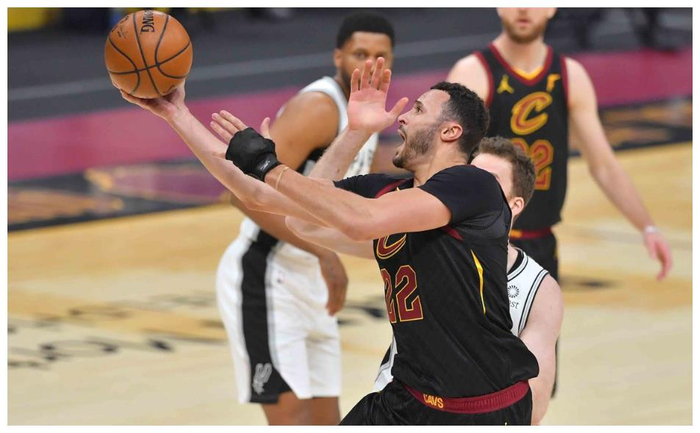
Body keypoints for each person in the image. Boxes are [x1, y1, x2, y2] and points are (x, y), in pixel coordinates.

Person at [212, 12, 395, 425]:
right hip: (266, 274)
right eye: (359, 54)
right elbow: (243, 195)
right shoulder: (319, 107)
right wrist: (325, 254)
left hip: (309, 277)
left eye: (380, 56)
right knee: (291, 419)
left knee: (328, 420)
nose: (369, 64)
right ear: (338, 56)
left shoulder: (364, 111)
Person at [446, 7, 672, 283]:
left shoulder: (570, 75)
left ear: (552, 7)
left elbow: (603, 165)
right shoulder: (472, 73)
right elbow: (443, 164)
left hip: (541, 242)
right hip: (482, 243)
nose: (524, 8)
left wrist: (647, 227)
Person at [372, 137, 563, 425]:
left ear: (514, 205)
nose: (472, 187)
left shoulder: (539, 290)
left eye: (488, 181)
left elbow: (534, 405)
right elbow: (315, 228)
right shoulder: (415, 240)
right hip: (396, 408)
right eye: (468, 175)